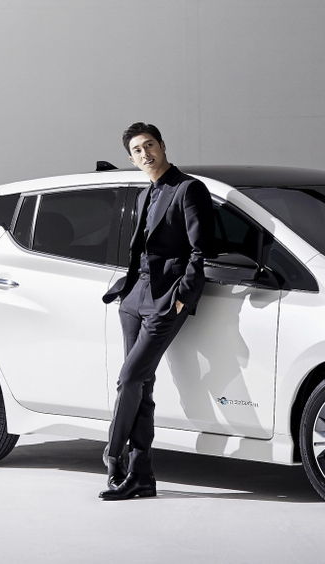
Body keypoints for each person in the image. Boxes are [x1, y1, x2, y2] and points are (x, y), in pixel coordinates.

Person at [98, 122, 213, 501]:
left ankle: (113, 453)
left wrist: (182, 298)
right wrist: (126, 291)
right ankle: (141, 476)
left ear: (162, 146)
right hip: (134, 297)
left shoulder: (188, 189)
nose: (145, 153)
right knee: (142, 385)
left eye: (149, 145)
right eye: (137, 150)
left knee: (129, 378)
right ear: (131, 159)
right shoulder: (145, 193)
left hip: (166, 298)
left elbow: (201, 250)